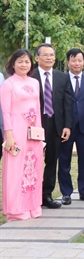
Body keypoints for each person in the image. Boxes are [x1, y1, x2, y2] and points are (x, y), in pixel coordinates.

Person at [1, 50, 43, 221]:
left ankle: (32, 206)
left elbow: (38, 109)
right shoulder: (8, 84)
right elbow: (5, 112)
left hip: (33, 132)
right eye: (20, 61)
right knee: (15, 170)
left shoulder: (35, 82)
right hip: (16, 131)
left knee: (33, 169)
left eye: (27, 61)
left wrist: (40, 134)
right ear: (13, 63)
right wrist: (8, 136)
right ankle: (16, 209)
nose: (24, 65)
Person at [31, 43, 72, 209]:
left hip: (56, 124)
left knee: (51, 161)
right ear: (37, 58)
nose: (49, 58)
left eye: (52, 55)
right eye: (45, 55)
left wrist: (67, 126)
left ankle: (46, 195)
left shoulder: (62, 77)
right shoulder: (30, 76)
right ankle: (31, 196)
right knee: (32, 161)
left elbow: (67, 104)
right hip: (35, 125)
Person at [58, 48, 84, 204]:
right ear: (68, 62)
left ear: (83, 62)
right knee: (64, 160)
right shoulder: (61, 79)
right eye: (73, 60)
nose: (77, 63)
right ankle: (66, 193)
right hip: (66, 127)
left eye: (80, 60)